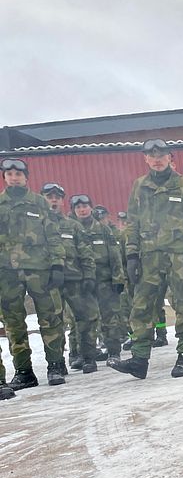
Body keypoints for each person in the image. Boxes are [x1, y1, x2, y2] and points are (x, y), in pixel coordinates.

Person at [110, 139, 183, 379]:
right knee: (141, 307)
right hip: (149, 258)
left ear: (170, 158)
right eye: (152, 156)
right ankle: (139, 360)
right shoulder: (139, 186)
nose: (157, 159)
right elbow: (133, 223)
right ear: (145, 159)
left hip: (179, 257)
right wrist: (131, 254)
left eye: (161, 155)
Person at [0, 158, 67, 389]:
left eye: (18, 173)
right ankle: (24, 371)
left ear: (26, 177)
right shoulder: (0, 204)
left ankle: (55, 365)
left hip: (40, 270)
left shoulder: (39, 203)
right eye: (9, 174)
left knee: (50, 318)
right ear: (4, 177)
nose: (14, 177)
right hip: (7, 272)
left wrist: (58, 264)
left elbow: (53, 235)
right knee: (14, 322)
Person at [41, 183, 101, 374]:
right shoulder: (37, 224)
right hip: (49, 281)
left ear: (62, 201)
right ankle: (57, 364)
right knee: (53, 322)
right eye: (49, 196)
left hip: (75, 280)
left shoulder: (72, 225)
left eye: (57, 197)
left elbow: (86, 252)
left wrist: (90, 275)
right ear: (43, 198)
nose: (53, 200)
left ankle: (88, 357)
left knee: (87, 318)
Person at [71, 194, 127, 363]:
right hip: (81, 283)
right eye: (78, 207)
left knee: (111, 318)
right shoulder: (70, 229)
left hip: (104, 281)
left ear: (91, 208)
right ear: (73, 210)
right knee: (84, 320)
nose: (82, 209)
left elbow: (115, 256)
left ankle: (114, 352)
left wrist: (118, 279)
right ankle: (86, 355)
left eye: (85, 206)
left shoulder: (103, 230)